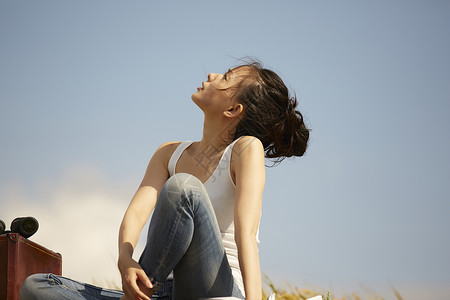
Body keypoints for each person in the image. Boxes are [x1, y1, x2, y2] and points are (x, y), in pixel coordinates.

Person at [20, 60, 309, 300]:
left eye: (227, 77)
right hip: (162, 293)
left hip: (214, 290)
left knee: (183, 189)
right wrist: (125, 262)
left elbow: (247, 235)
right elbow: (135, 214)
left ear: (233, 110)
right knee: (38, 286)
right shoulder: (169, 153)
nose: (212, 75)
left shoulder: (245, 150)